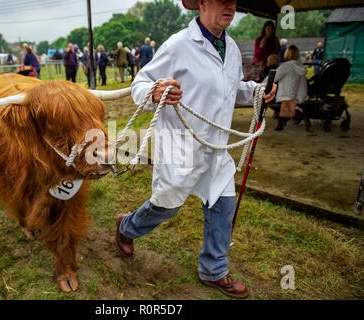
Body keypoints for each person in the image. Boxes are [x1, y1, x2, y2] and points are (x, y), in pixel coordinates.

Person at [115, 0, 276, 299]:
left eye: (234, 1)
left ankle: (214, 269)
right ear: (202, 3)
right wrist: (156, 90)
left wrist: (255, 90)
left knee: (222, 205)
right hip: (180, 145)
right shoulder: (178, 45)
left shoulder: (231, 49)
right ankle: (126, 226)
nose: (230, 6)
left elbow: (229, 88)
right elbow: (141, 82)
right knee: (166, 207)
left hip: (216, 147)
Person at [273, 45, 307, 131]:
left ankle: (284, 119)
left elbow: (273, 78)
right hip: (299, 94)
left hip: (286, 94)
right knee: (288, 108)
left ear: (287, 54)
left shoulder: (286, 66)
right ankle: (295, 115)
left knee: (271, 102)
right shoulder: (300, 66)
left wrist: (261, 84)